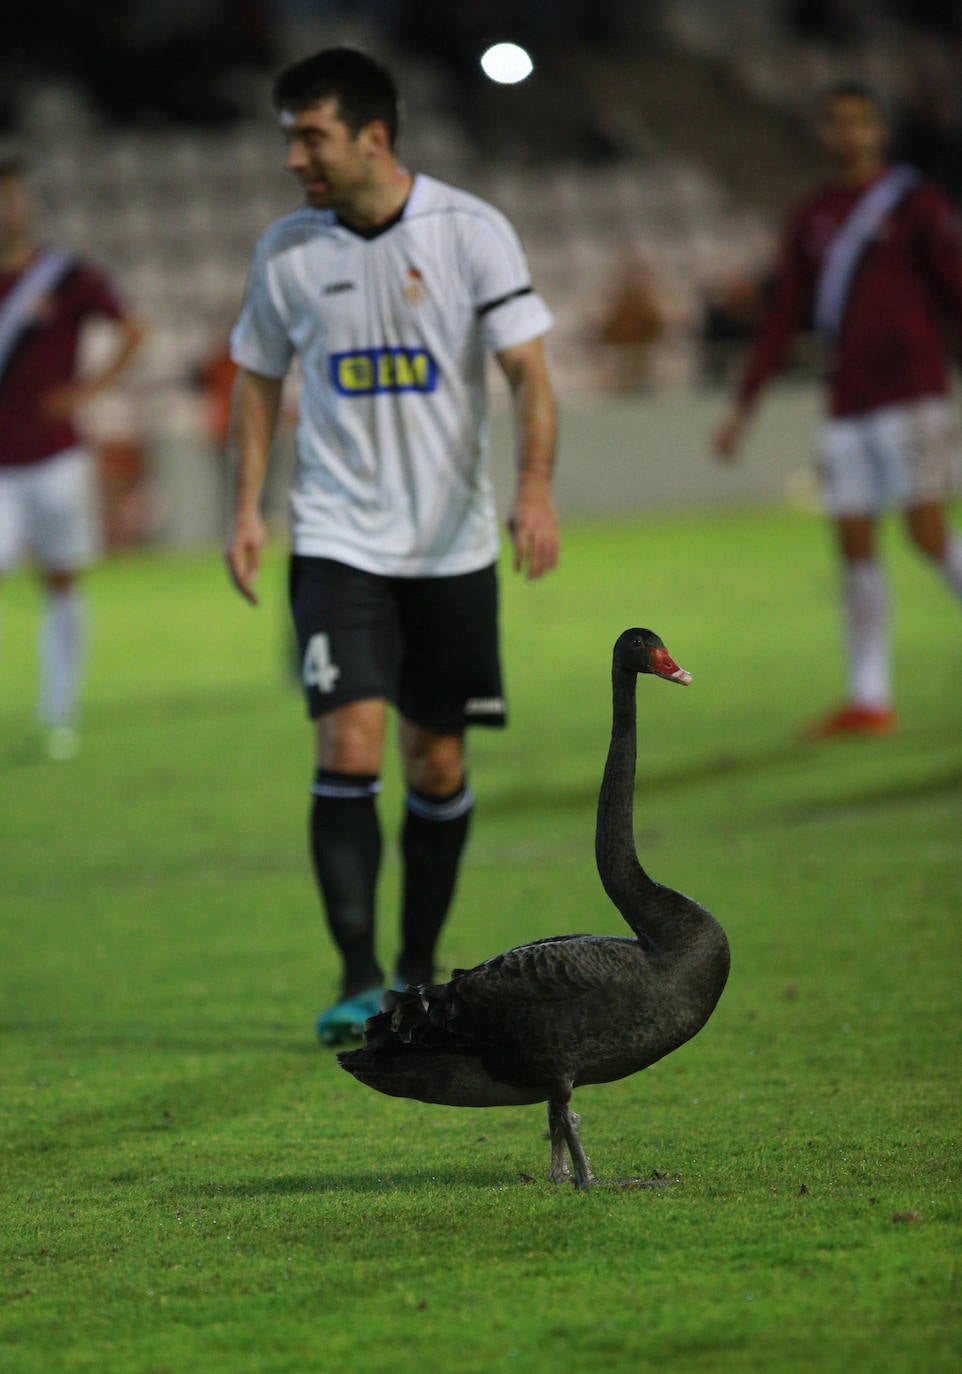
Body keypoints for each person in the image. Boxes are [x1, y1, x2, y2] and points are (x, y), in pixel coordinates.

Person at [224, 48, 560, 1043]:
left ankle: (417, 971)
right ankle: (359, 975)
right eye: (289, 135)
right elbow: (255, 380)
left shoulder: (470, 233)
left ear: (372, 135)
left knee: (439, 763)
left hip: (448, 544)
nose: (293, 157)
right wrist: (247, 506)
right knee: (349, 741)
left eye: (309, 134)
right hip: (334, 538)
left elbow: (528, 377)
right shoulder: (286, 250)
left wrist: (532, 487)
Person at [712, 81, 962, 737]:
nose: (847, 133)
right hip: (847, 400)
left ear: (878, 129)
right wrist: (745, 406)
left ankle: (869, 695)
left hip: (912, 393)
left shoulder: (915, 204)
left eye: (859, 121)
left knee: (927, 534)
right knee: (853, 546)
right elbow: (783, 316)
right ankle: (869, 698)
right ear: (825, 134)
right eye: (836, 123)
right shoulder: (813, 215)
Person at [0, 156, 145, 759]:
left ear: (28, 202)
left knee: (62, 579)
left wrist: (87, 390)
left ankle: (59, 710)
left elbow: (134, 328)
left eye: (12, 197)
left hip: (57, 454)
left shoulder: (66, 276)